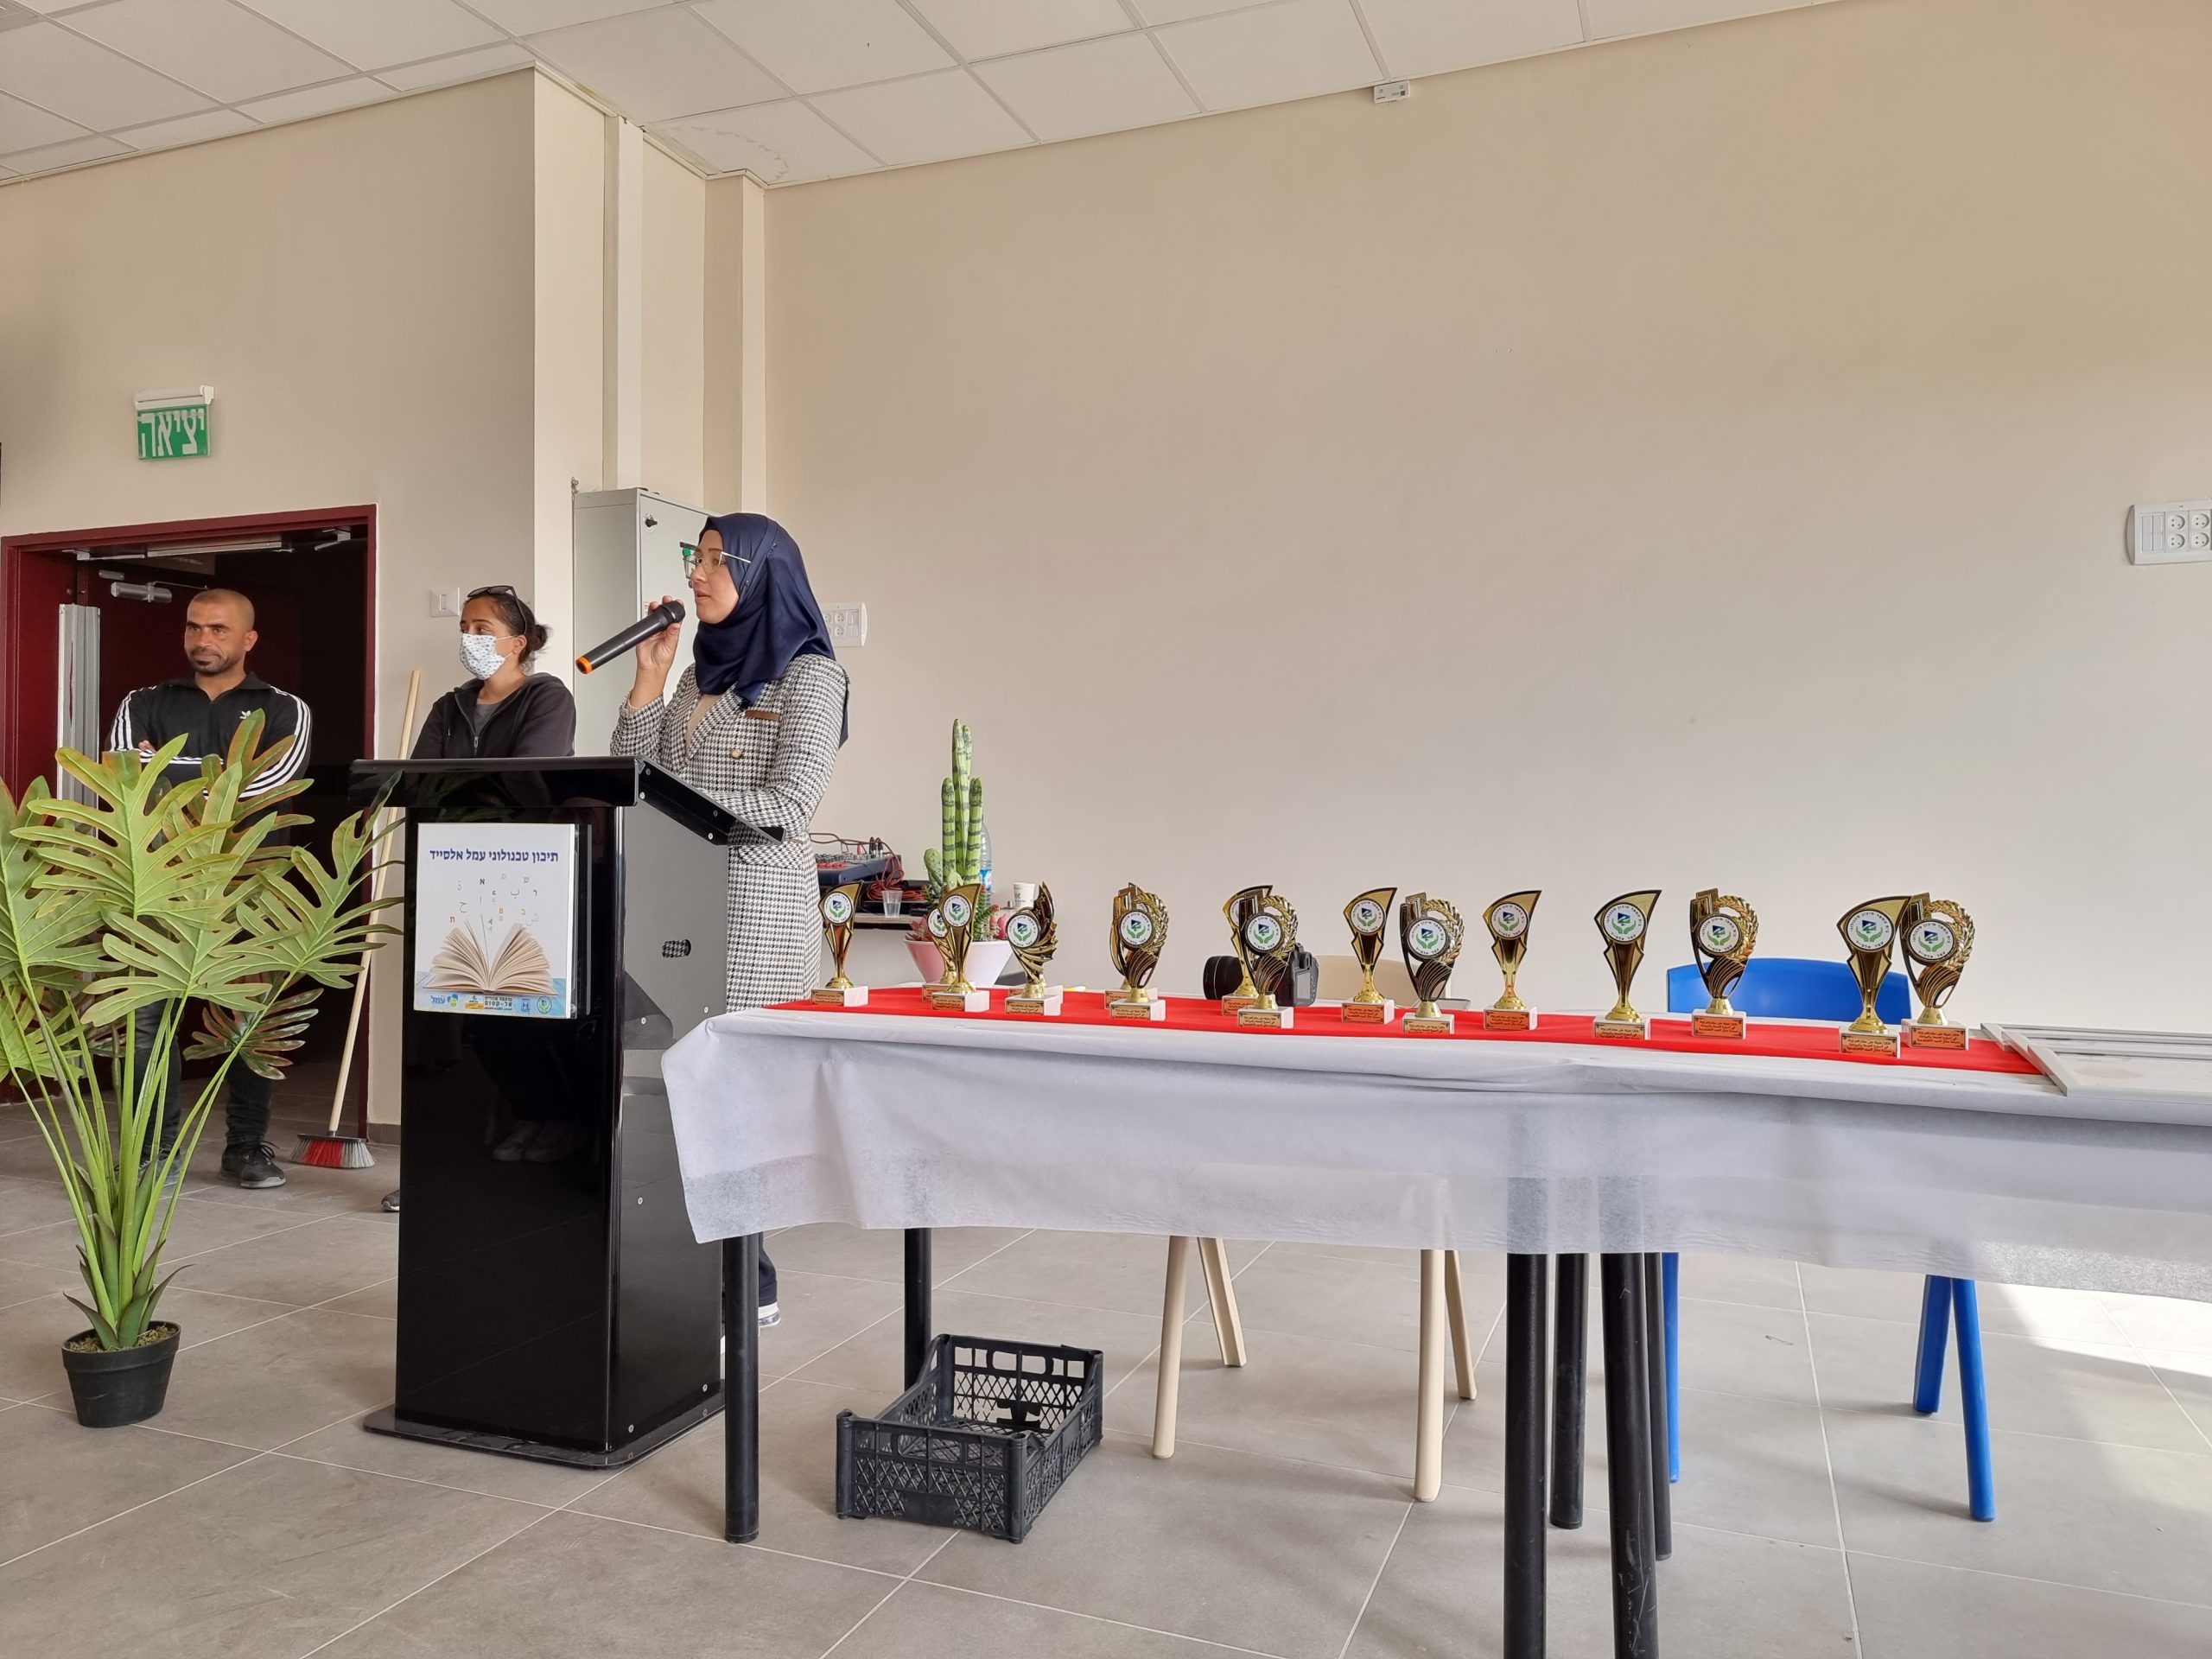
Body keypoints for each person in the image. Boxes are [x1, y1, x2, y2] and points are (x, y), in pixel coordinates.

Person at [612, 513, 849, 1325]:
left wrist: (673, 800)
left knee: (737, 1105)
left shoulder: (811, 676)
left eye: (717, 559)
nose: (697, 573)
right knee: (673, 1096)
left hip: (754, 918)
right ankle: (679, 1269)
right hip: (677, 910)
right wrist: (648, 683)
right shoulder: (695, 677)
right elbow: (636, 776)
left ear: (763, 573)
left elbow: (789, 804)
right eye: (696, 557)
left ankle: (750, 1278)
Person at [109, 588, 310, 1190]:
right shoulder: (144, 701)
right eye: (194, 627)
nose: (203, 640)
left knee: (249, 1021)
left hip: (252, 887)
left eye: (219, 629)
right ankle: (155, 1152)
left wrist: (170, 771)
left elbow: (272, 782)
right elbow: (125, 771)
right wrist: (220, 774)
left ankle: (246, 1148)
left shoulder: (284, 708)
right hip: (160, 885)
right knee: (147, 1022)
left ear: (248, 639)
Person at [383, 585, 576, 1213]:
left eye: (483, 627)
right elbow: (419, 779)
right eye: (465, 626)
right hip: (452, 877)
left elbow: (528, 774)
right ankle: (465, 1153)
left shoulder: (546, 696)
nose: (470, 637)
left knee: (519, 1014)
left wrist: (459, 789)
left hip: (524, 875)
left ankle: (553, 1120)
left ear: (519, 642)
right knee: (468, 1022)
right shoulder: (450, 705)